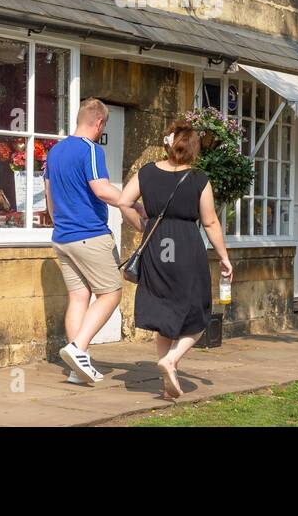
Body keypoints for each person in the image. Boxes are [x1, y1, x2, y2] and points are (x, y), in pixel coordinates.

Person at [116, 118, 232, 401]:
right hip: (185, 247)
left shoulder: (146, 172)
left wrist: (142, 226)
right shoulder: (198, 180)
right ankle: (172, 360)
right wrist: (224, 257)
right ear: (193, 150)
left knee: (163, 314)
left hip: (156, 246)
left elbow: (123, 202)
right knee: (200, 311)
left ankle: (166, 381)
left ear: (168, 145)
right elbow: (210, 222)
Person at [44, 98, 125, 385]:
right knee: (111, 293)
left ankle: (77, 368)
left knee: (79, 297)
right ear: (99, 123)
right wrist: (130, 203)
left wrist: (61, 222)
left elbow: (50, 199)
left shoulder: (54, 152)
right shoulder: (91, 149)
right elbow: (102, 190)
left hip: (62, 237)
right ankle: (78, 348)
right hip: (89, 234)